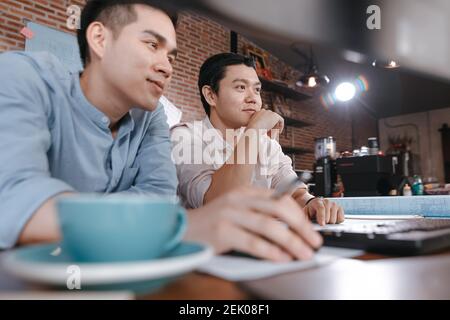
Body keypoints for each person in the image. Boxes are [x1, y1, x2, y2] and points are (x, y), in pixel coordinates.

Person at [0, 1, 322, 262]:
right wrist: (181, 228)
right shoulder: (23, 76)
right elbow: (14, 200)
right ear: (100, 39)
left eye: (170, 55)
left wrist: (63, 213)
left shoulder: (149, 116)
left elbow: (159, 201)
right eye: (151, 44)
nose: (166, 67)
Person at [171, 53, 345, 225]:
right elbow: (219, 204)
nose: (253, 98)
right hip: (208, 249)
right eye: (240, 87)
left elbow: (294, 192)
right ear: (211, 95)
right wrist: (254, 131)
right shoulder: (185, 137)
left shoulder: (265, 144)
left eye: (257, 89)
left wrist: (311, 202)